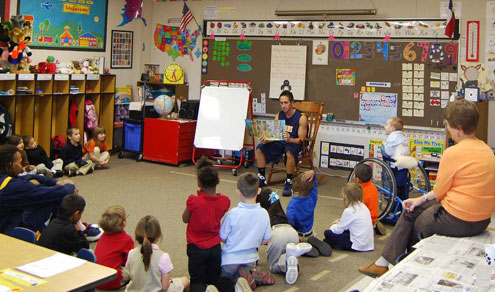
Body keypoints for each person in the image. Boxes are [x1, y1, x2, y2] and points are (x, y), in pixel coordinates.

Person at [359, 99, 495, 278]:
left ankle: (402, 267)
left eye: (448, 126)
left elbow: (439, 192)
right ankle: (386, 263)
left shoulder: (453, 153)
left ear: (459, 129)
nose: (447, 129)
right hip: (483, 219)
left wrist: (421, 201)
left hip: (460, 220)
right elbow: (444, 192)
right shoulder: (486, 150)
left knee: (416, 221)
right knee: (415, 207)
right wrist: (420, 199)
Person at [0, 144, 76, 234]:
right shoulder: (13, 187)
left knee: (40, 187)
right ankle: (63, 233)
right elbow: (53, 193)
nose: (21, 167)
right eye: (19, 163)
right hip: (7, 234)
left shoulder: (5, 181)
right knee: (54, 197)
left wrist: (55, 182)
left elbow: (26, 177)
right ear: (10, 164)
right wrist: (70, 186)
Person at [182, 157, 230, 292]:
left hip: (196, 248)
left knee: (197, 281)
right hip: (215, 247)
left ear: (199, 183)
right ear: (217, 181)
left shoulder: (193, 201)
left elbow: (185, 219)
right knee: (214, 278)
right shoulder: (224, 201)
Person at [219, 173, 272, 291]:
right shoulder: (264, 213)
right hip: (250, 260)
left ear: (238, 192)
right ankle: (249, 277)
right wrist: (256, 241)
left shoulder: (233, 213)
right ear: (259, 191)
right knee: (244, 272)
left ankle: (236, 283)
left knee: (220, 280)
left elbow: (222, 236)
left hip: (229, 260)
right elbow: (267, 239)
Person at [256, 91, 308, 197]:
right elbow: (275, 135)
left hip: (293, 142)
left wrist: (290, 139)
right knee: (260, 147)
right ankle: (261, 178)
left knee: (290, 152)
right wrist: (267, 139)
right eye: (281, 103)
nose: (283, 105)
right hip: (280, 142)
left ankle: (288, 181)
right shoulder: (279, 115)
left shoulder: (301, 117)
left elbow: (301, 140)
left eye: (286, 102)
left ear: (292, 102)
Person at [256, 188, 312, 285]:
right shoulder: (282, 214)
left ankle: (285, 261)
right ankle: (291, 258)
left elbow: (257, 240)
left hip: (277, 234)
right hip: (292, 232)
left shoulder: (263, 216)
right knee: (289, 255)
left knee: (273, 266)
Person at [124, 215, 190, 292]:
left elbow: (131, 275)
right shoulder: (163, 257)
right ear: (159, 236)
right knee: (185, 281)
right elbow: (165, 287)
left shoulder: (131, 253)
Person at [286, 170, 332, 257]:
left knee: (289, 243)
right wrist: (312, 173)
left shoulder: (292, 206)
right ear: (312, 185)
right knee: (311, 236)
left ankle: (303, 246)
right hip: (310, 232)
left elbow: (290, 224)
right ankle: (311, 240)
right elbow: (314, 182)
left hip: (298, 236)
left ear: (297, 185)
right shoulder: (312, 197)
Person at [324, 183, 374, 252]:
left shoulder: (349, 211)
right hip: (368, 244)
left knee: (327, 233)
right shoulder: (363, 206)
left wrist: (333, 226)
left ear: (346, 197)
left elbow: (338, 230)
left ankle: (334, 244)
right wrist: (339, 222)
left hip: (357, 245)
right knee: (345, 231)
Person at [95, 205, 134, 290]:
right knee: (134, 268)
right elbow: (128, 261)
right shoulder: (126, 239)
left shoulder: (102, 236)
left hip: (96, 279)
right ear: (123, 223)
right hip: (111, 281)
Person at [353, 163, 386, 235]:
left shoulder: (360, 192)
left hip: (364, 223)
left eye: (354, 174)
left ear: (357, 179)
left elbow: (354, 214)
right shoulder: (373, 186)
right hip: (373, 219)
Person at [382, 117, 410, 200]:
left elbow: (388, 153)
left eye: (386, 125)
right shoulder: (403, 137)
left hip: (395, 167)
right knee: (401, 188)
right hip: (404, 167)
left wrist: (383, 146)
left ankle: (392, 204)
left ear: (392, 128)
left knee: (394, 188)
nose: (384, 126)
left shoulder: (392, 137)